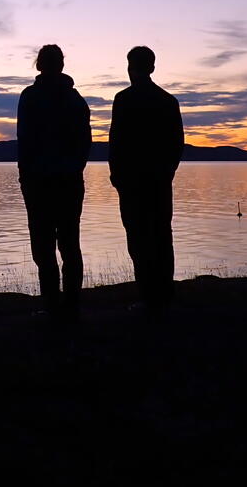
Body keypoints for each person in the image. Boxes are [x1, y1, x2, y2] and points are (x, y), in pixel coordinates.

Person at [108, 45, 185, 312]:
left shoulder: (124, 99)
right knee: (162, 236)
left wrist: (117, 176)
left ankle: (148, 296)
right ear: (152, 67)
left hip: (134, 182)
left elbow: (115, 142)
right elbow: (178, 145)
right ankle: (163, 294)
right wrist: (166, 172)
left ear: (131, 67)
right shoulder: (167, 101)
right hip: (158, 181)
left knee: (139, 238)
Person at [16, 44, 92, 314]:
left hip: (39, 182)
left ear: (40, 65)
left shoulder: (30, 97)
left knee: (44, 246)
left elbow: (24, 141)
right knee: (70, 244)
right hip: (69, 180)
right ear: (61, 65)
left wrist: (25, 176)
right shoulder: (76, 100)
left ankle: (52, 305)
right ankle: (70, 305)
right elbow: (85, 143)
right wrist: (75, 168)